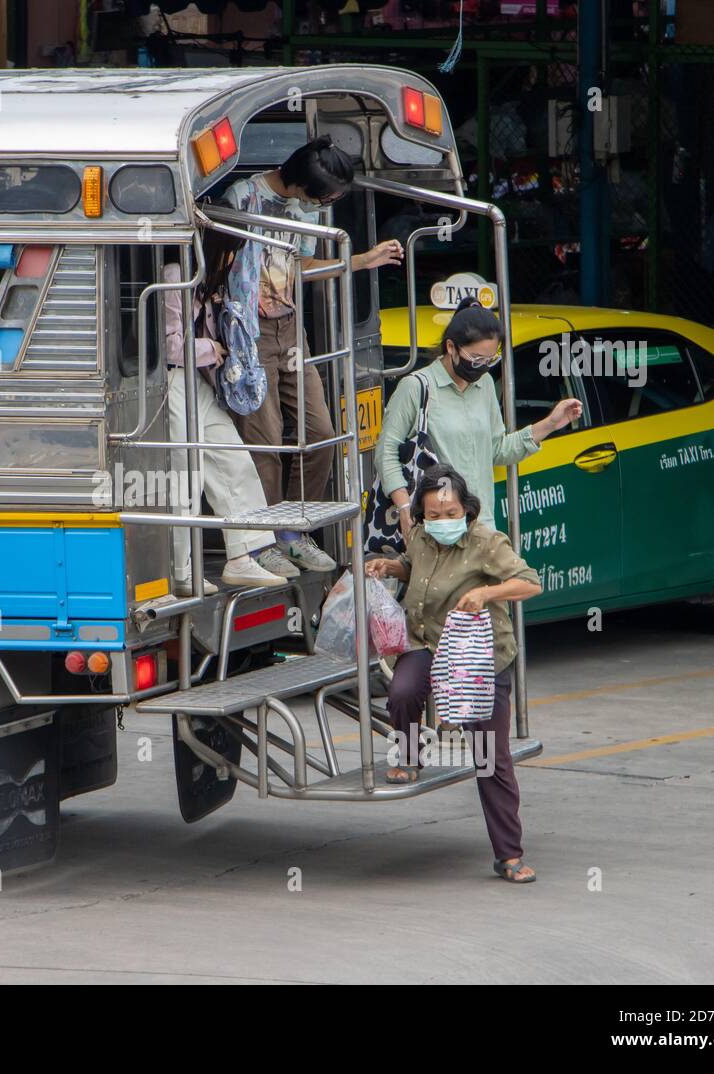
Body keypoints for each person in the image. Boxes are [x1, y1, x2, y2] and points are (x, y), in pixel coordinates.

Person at [221, 134, 404, 574]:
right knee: (263, 438)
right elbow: (225, 265)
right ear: (301, 184)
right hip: (248, 329)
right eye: (325, 196)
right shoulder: (242, 197)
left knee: (319, 430)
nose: (327, 203)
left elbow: (299, 268)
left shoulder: (305, 206)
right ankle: (263, 537)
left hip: (290, 325)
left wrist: (358, 261)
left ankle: (294, 531)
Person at [365, 464, 542, 883]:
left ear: (466, 509)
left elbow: (530, 582)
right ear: (422, 516)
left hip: (478, 655)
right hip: (428, 642)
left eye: (451, 513)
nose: (442, 522)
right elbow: (421, 570)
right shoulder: (420, 538)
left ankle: (509, 854)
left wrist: (487, 592)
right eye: (434, 515)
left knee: (489, 756)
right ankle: (409, 757)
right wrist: (392, 568)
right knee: (403, 692)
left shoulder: (486, 542)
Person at [377, 295, 582, 539]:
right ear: (451, 347)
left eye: (490, 360)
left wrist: (550, 423)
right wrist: (404, 507)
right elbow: (386, 452)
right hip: (435, 528)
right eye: (476, 359)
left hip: (482, 527)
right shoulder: (416, 387)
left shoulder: (484, 384)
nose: (483, 366)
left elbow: (497, 449)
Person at [161, 229, 296, 595]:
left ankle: (243, 556)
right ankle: (181, 570)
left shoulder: (208, 279)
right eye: (231, 252)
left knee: (232, 457)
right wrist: (211, 349)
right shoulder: (176, 276)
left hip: (194, 380)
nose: (234, 260)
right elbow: (169, 346)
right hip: (171, 381)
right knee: (187, 474)